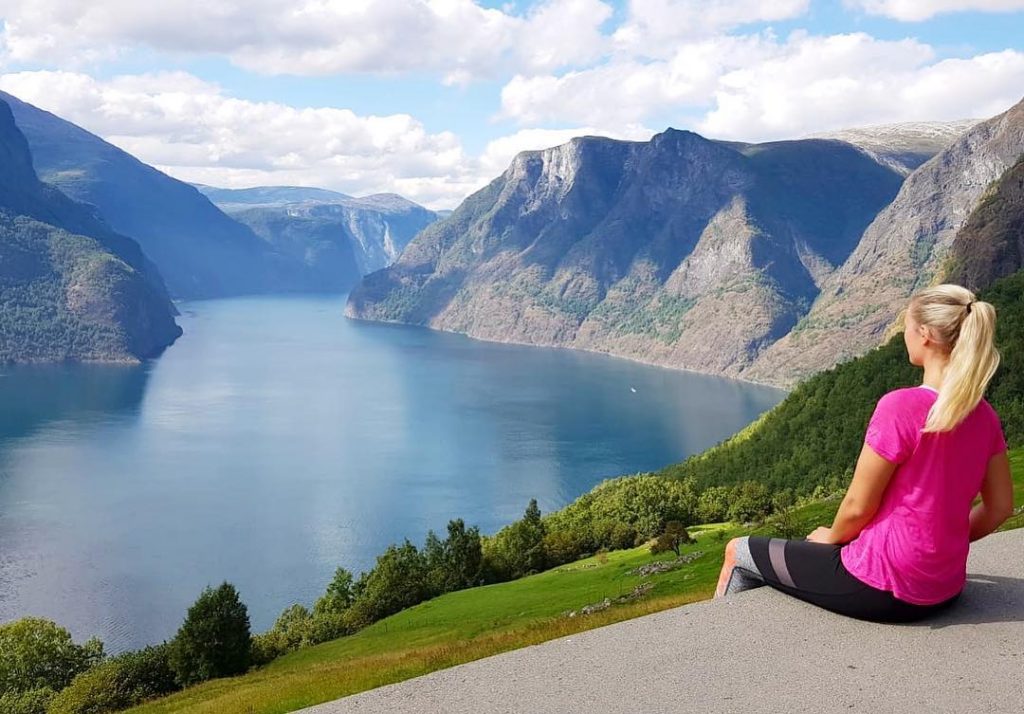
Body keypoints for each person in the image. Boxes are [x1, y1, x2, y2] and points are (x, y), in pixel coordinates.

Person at [714, 284, 1014, 622]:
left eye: (907, 326)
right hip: (945, 588)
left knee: (737, 551)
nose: (904, 334)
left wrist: (832, 537)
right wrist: (940, 547)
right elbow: (1000, 506)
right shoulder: (984, 415)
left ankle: (715, 654)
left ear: (926, 334)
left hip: (880, 587)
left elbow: (858, 506)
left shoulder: (901, 406)